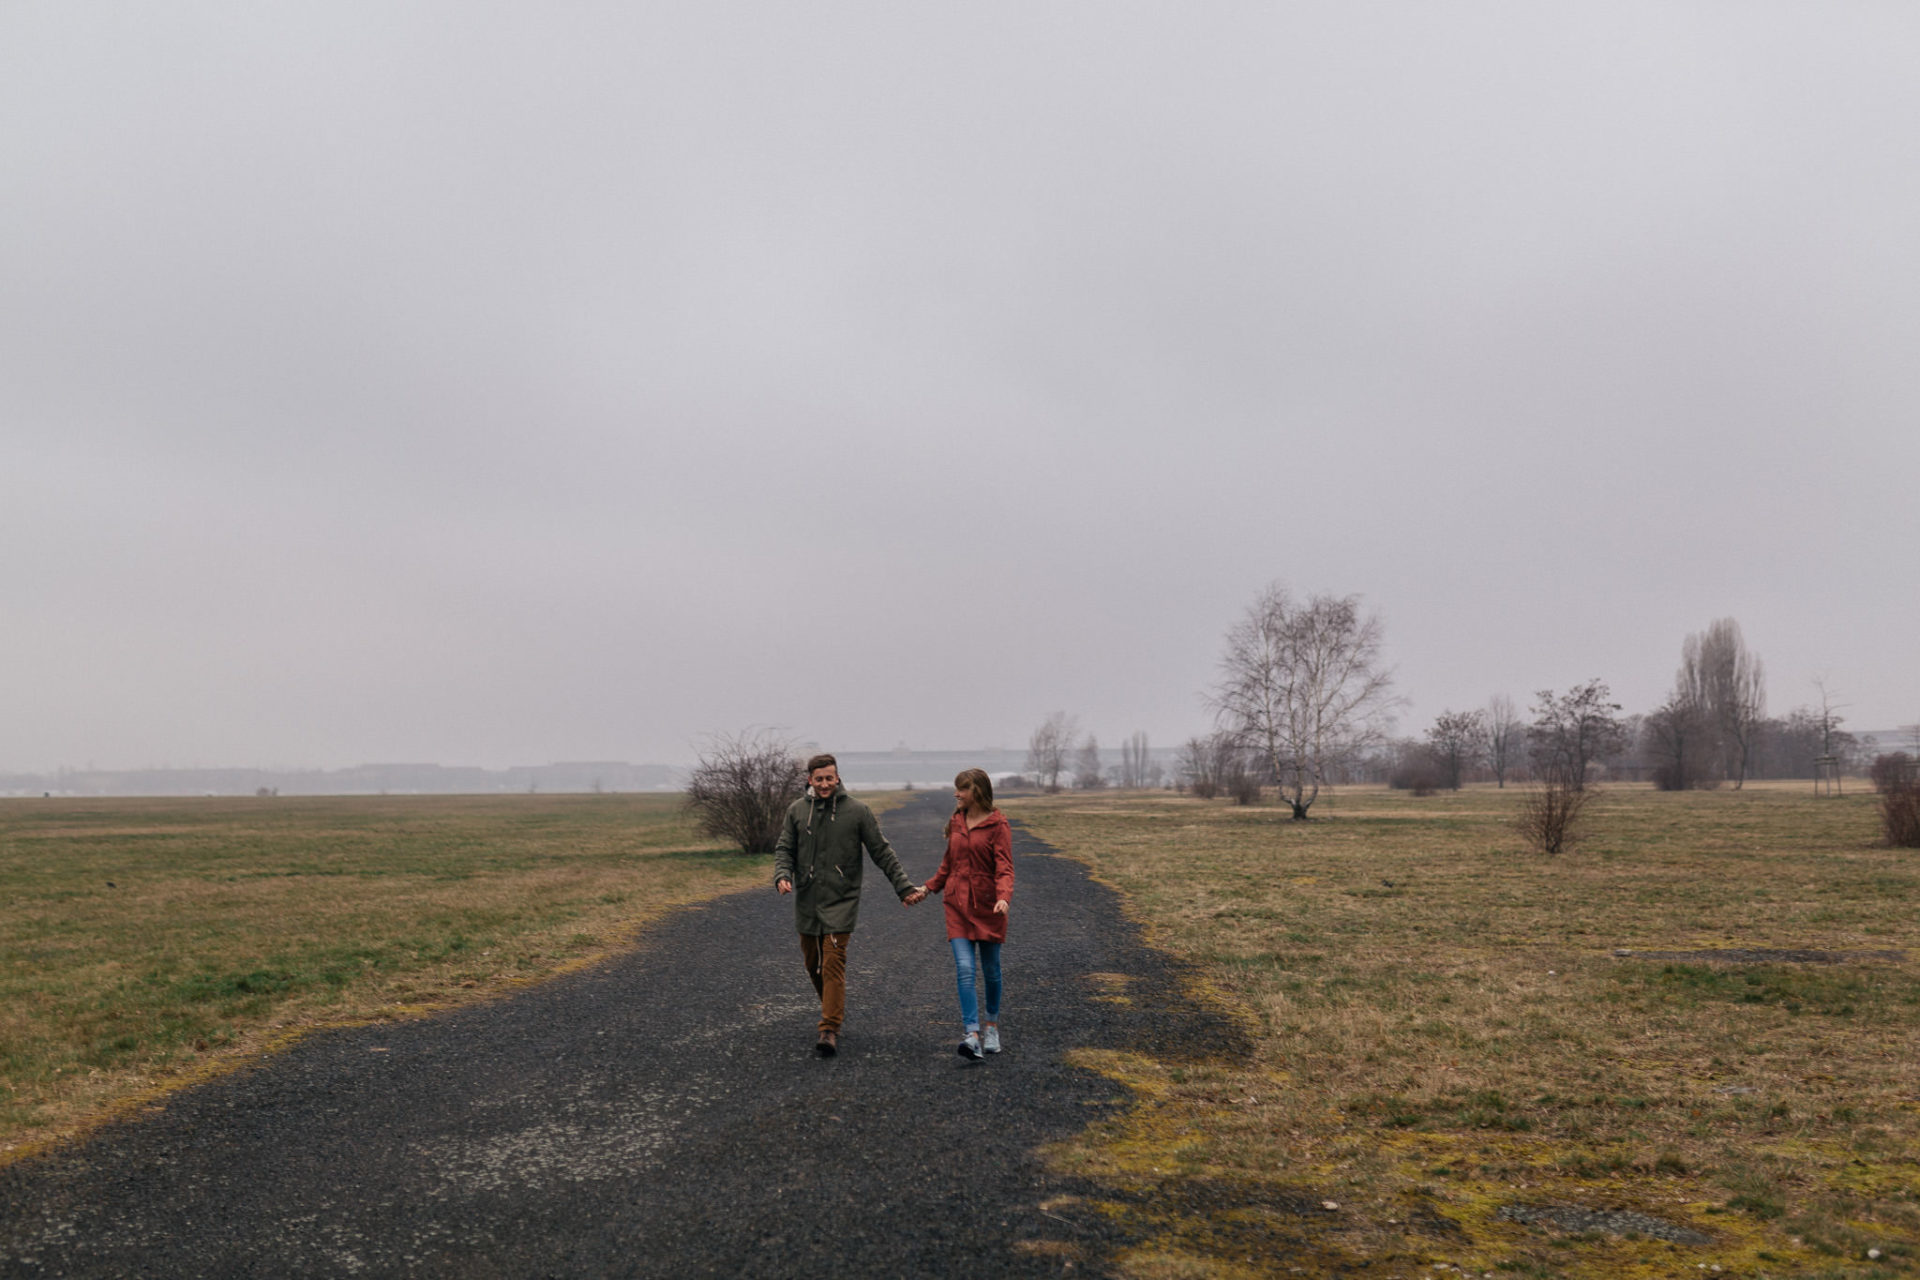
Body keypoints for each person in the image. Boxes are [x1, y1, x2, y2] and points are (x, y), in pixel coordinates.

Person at [772, 754, 926, 1056]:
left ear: (838, 778)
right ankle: (833, 1006)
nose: (825, 783)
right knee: (812, 964)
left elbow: (882, 852)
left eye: (830, 778)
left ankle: (829, 1028)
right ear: (810, 781)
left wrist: (903, 887)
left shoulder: (857, 812)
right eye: (820, 779)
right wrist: (782, 875)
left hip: (841, 900)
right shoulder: (797, 811)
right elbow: (784, 847)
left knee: (832, 963)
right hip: (807, 899)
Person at [920, 768, 1014, 1061]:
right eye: (956, 788)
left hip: (988, 907)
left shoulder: (998, 825)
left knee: (991, 971)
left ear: (977, 793)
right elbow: (948, 864)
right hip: (956, 906)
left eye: (961, 789)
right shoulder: (956, 821)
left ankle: (991, 1026)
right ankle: (972, 1035)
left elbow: (1005, 867)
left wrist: (1003, 897)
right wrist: (927, 888)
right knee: (964, 968)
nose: (956, 794)